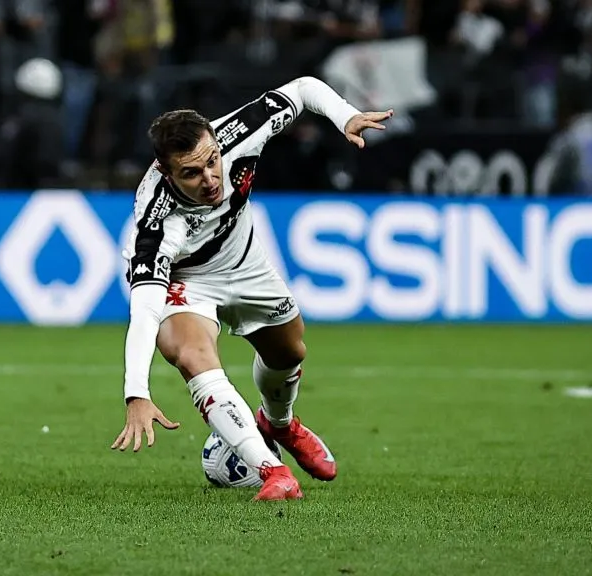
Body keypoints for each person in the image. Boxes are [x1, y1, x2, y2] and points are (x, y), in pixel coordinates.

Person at [110, 75, 393, 501]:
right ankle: (272, 470)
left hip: (244, 262)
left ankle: (279, 423)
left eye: (211, 161)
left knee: (289, 352)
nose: (209, 178)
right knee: (191, 354)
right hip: (187, 279)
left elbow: (301, 89)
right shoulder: (154, 226)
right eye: (191, 173)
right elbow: (145, 311)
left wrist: (346, 116)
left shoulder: (238, 132)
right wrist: (137, 392)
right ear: (166, 174)